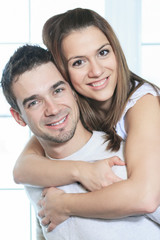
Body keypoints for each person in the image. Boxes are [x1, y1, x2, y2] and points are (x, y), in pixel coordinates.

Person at [12, 7, 160, 231]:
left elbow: (146, 197)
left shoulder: (142, 102)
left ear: (116, 51)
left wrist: (65, 205)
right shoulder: (71, 108)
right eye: (78, 62)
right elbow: (22, 169)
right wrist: (82, 170)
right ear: (63, 73)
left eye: (102, 53)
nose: (97, 71)